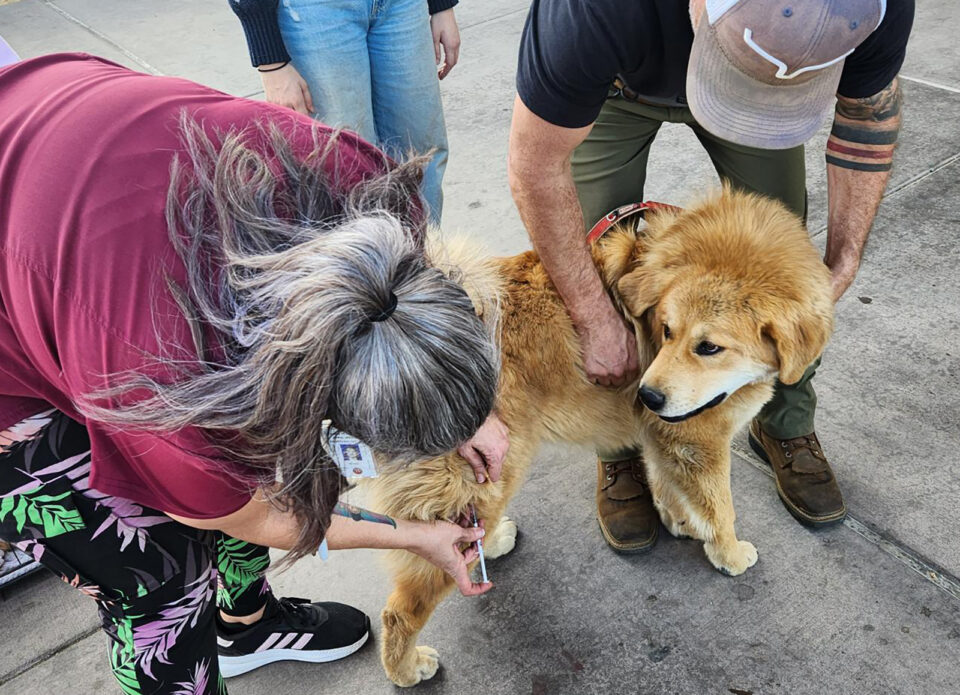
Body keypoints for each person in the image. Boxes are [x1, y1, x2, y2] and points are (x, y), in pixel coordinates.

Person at [0, 53, 508, 694]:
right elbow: (254, 515)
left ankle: (246, 623)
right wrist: (418, 536)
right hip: (28, 338)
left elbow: (403, 324)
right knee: (157, 575)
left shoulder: (371, 192)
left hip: (48, 113)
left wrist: (462, 406)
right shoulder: (174, 393)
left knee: (258, 463)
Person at [508, 0, 914, 552]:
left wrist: (839, 266)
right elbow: (534, 166)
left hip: (771, 88)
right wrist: (594, 319)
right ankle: (621, 450)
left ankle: (785, 425)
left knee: (780, 273)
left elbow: (868, 116)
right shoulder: (591, 12)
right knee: (599, 269)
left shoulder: (874, 7)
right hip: (616, 87)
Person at [228, 0, 462, 224]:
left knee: (421, 157)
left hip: (403, 6)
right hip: (315, 15)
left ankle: (424, 262)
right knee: (346, 168)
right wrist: (271, 62)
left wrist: (442, 5)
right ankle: (368, 264)